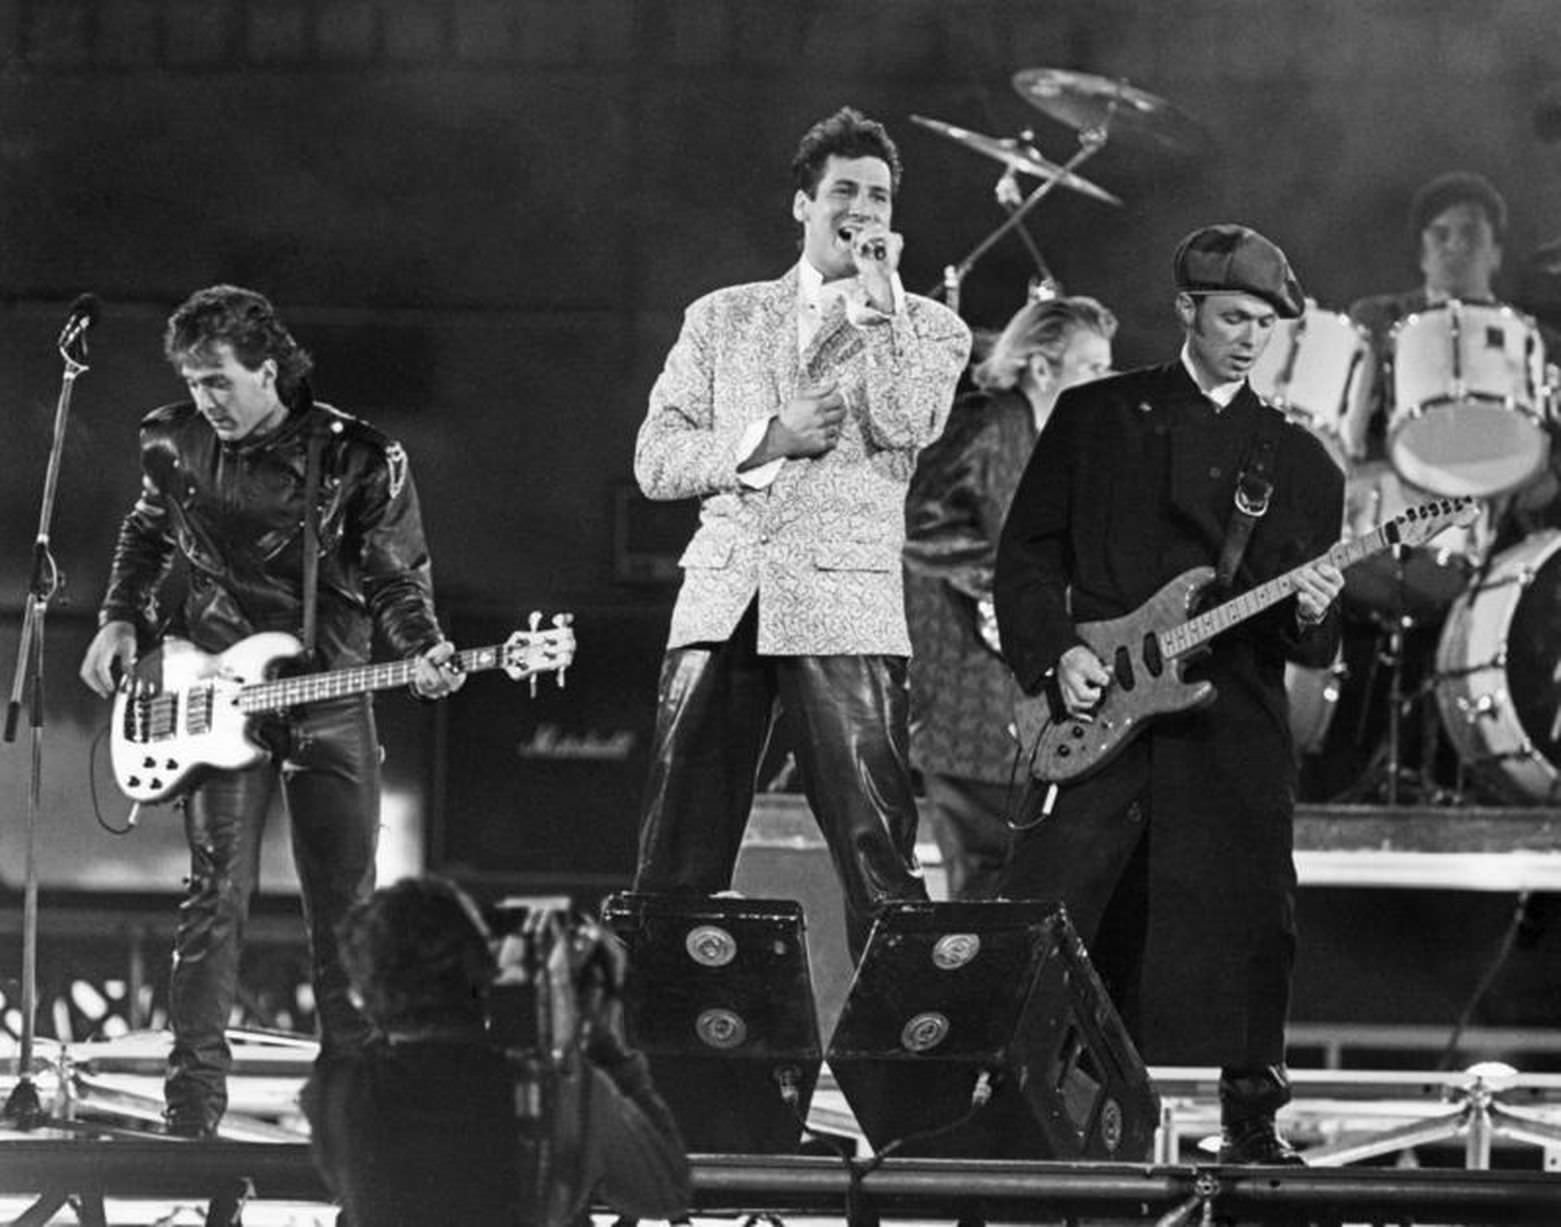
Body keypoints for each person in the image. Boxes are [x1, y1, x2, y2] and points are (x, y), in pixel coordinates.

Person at [78, 285, 468, 1138]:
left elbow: (395, 575)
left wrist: (423, 643)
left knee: (345, 909)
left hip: (326, 695)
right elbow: (145, 532)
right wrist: (118, 615)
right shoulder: (170, 439)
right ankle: (192, 1115)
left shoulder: (360, 456)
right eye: (192, 381)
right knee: (213, 898)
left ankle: (354, 1114)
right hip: (209, 694)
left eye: (218, 380)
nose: (204, 400)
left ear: (269, 368)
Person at [993, 225, 1347, 1165]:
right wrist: (1054, 654)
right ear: (1185, 309)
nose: (1247, 337)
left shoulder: (1300, 463)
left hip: (1228, 723)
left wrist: (1313, 611)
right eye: (1231, 316)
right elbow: (1024, 555)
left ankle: (1251, 1125)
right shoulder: (1093, 417)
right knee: (1059, 908)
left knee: (1250, 913)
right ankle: (1030, 1118)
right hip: (1095, 710)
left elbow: (1306, 637)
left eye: (1263, 324)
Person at [632, 106, 971, 957]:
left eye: (880, 197)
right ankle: (674, 1045)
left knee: (876, 850)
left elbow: (907, 422)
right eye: (845, 192)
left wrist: (881, 309)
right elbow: (656, 459)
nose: (864, 210)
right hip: (725, 596)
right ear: (802, 205)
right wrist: (766, 440)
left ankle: (907, 1061)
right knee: (679, 850)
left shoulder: (931, 326)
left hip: (844, 607)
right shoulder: (721, 317)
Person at [301, 876, 691, 1227]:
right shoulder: (560, 1093)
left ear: (362, 998)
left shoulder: (333, 1094)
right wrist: (602, 1044)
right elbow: (664, 1196)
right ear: (482, 970)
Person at [903, 295, 1117, 900]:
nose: (1107, 385)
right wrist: (1008, 591)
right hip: (966, 695)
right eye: (1093, 368)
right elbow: (916, 521)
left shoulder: (1054, 443)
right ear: (1043, 368)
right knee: (984, 881)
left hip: (1017, 702)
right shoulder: (989, 424)